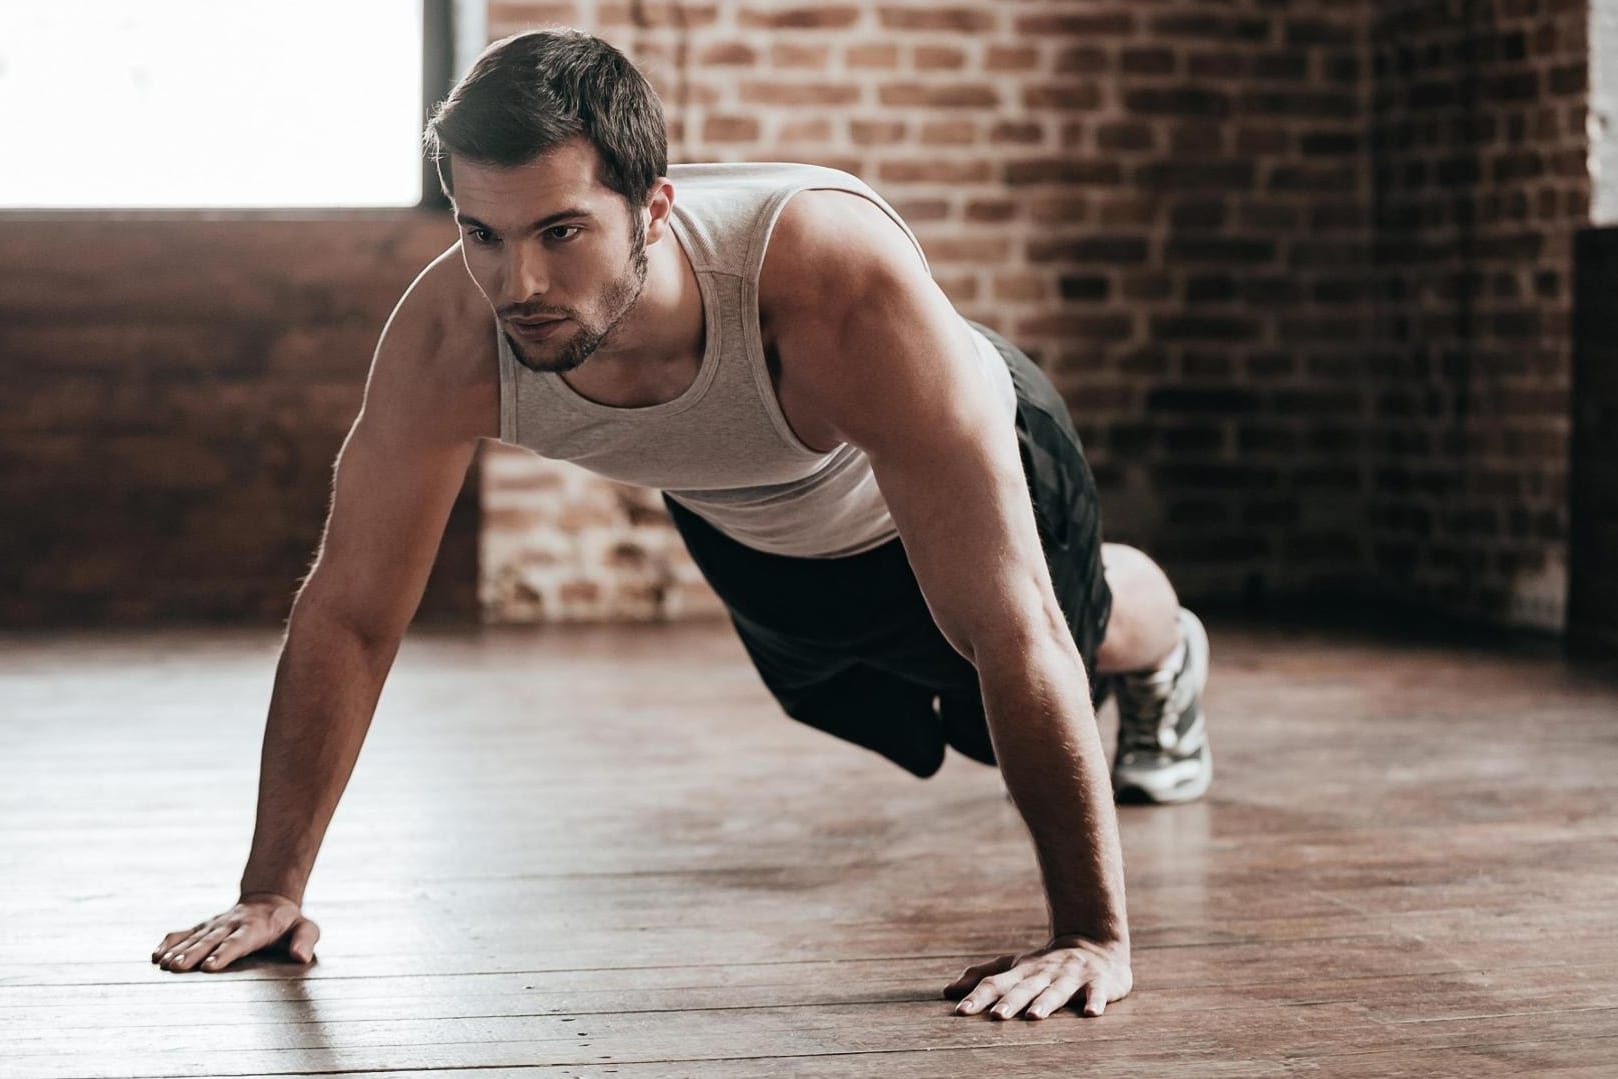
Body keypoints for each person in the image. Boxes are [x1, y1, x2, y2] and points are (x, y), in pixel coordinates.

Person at [151, 28, 1212, 1022]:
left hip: (951, 460)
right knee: (903, 711)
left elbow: (1015, 621)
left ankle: (1166, 647)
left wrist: (1092, 936)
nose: (517, 284)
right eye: (483, 233)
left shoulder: (832, 283)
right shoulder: (449, 338)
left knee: (1046, 647)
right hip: (757, 519)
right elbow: (350, 609)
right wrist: (269, 890)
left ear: (653, 211)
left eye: (561, 231)